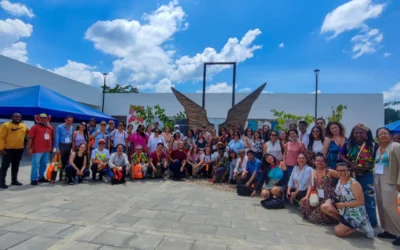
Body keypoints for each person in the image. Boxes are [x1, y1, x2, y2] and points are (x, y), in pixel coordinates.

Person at [321, 162, 374, 239]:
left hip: (354, 211)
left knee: (338, 232)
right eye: (339, 171)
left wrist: (343, 204)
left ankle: (357, 226)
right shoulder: (340, 180)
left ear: (349, 171)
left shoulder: (354, 184)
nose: (342, 173)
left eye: (344, 170)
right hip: (343, 209)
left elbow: (361, 202)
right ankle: (344, 222)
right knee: (324, 207)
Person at [339, 123, 377, 227]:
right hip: (352, 175)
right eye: (356, 132)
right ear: (353, 134)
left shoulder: (373, 145)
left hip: (367, 175)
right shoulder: (348, 144)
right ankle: (353, 220)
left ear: (366, 134)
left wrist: (367, 168)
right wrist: (350, 164)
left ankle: (372, 222)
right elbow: (341, 155)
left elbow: (377, 160)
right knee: (351, 197)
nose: (358, 135)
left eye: (361, 132)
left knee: (368, 198)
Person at [374, 127, 400, 246]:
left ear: (390, 135)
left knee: (391, 207)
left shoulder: (396, 146)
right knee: (381, 206)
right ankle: (389, 230)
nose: (383, 135)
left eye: (385, 133)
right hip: (378, 179)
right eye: (380, 134)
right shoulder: (379, 149)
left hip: (391, 180)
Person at [300, 154, 339, 225]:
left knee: (317, 217)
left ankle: (339, 220)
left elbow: (342, 177)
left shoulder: (329, 171)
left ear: (325, 162)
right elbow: (310, 185)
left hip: (329, 197)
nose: (320, 163)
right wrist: (306, 196)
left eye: (322, 161)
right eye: (318, 161)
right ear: (314, 162)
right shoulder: (313, 172)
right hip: (318, 196)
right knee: (304, 203)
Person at [0, 113, 27, 188]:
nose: (18, 118)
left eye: (20, 117)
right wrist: (1, 148)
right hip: (7, 150)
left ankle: (14, 181)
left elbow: (29, 133)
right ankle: (1, 182)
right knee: (4, 166)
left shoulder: (23, 125)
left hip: (19, 150)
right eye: (16, 117)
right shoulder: (6, 125)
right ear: (12, 117)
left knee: (16, 166)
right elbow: (1, 137)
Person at [28, 113, 54, 185]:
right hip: (37, 150)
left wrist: (51, 148)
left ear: (47, 119)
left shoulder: (50, 127)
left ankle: (41, 177)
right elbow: (30, 138)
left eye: (44, 118)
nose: (43, 120)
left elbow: (52, 138)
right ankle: (33, 179)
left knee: (44, 164)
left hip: (47, 150)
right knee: (35, 164)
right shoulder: (34, 127)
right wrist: (29, 148)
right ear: (38, 119)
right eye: (41, 118)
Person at [55, 115, 74, 181]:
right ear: (65, 120)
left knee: (66, 161)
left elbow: (71, 137)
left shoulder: (71, 127)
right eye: (68, 120)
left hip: (68, 145)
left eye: (71, 121)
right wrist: (57, 147)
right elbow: (57, 137)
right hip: (62, 145)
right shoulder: (60, 127)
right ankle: (54, 177)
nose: (69, 122)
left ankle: (64, 175)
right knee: (59, 161)